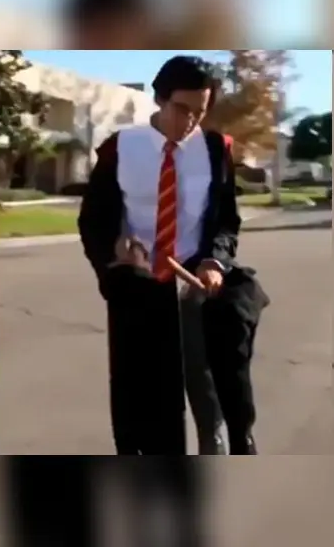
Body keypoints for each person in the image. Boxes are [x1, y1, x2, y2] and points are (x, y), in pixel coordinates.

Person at [78, 55, 268, 455]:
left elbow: (226, 222)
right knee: (147, 394)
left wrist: (215, 262)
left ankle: (233, 440)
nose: (191, 121)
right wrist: (115, 250)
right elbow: (94, 220)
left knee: (215, 371)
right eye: (182, 109)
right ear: (159, 99)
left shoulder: (215, 150)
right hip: (142, 280)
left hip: (195, 278)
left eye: (200, 112)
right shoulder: (119, 149)